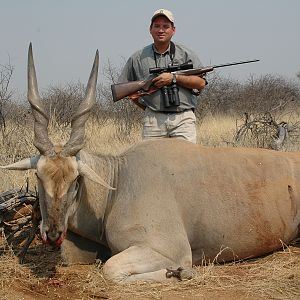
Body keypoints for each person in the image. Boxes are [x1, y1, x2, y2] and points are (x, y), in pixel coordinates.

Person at [118, 8, 207, 143]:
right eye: (157, 26)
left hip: (183, 119)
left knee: (186, 162)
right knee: (152, 162)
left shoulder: (186, 53)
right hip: (153, 121)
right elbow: (123, 89)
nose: (161, 30)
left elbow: (200, 83)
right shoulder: (137, 57)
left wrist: (173, 78)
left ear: (173, 30)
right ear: (150, 29)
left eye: (166, 26)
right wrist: (144, 106)